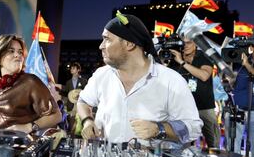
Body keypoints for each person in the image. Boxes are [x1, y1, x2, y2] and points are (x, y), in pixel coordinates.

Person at [77, 12, 202, 144]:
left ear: (129, 44)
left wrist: (159, 129)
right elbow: (83, 101)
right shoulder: (101, 75)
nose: (101, 46)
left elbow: (193, 128)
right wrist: (87, 120)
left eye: (107, 39)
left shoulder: (171, 81)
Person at [0, 34, 62, 133]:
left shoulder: (30, 82)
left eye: (20, 52)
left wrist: (30, 127)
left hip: (18, 145)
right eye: (11, 51)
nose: (18, 55)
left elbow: (56, 116)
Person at [169, 37, 219, 148]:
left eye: (189, 42)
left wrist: (182, 63)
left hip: (204, 107)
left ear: (195, 44)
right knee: (184, 144)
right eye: (183, 43)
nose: (185, 46)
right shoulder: (174, 59)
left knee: (213, 143)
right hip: (184, 109)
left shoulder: (203, 57)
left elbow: (204, 75)